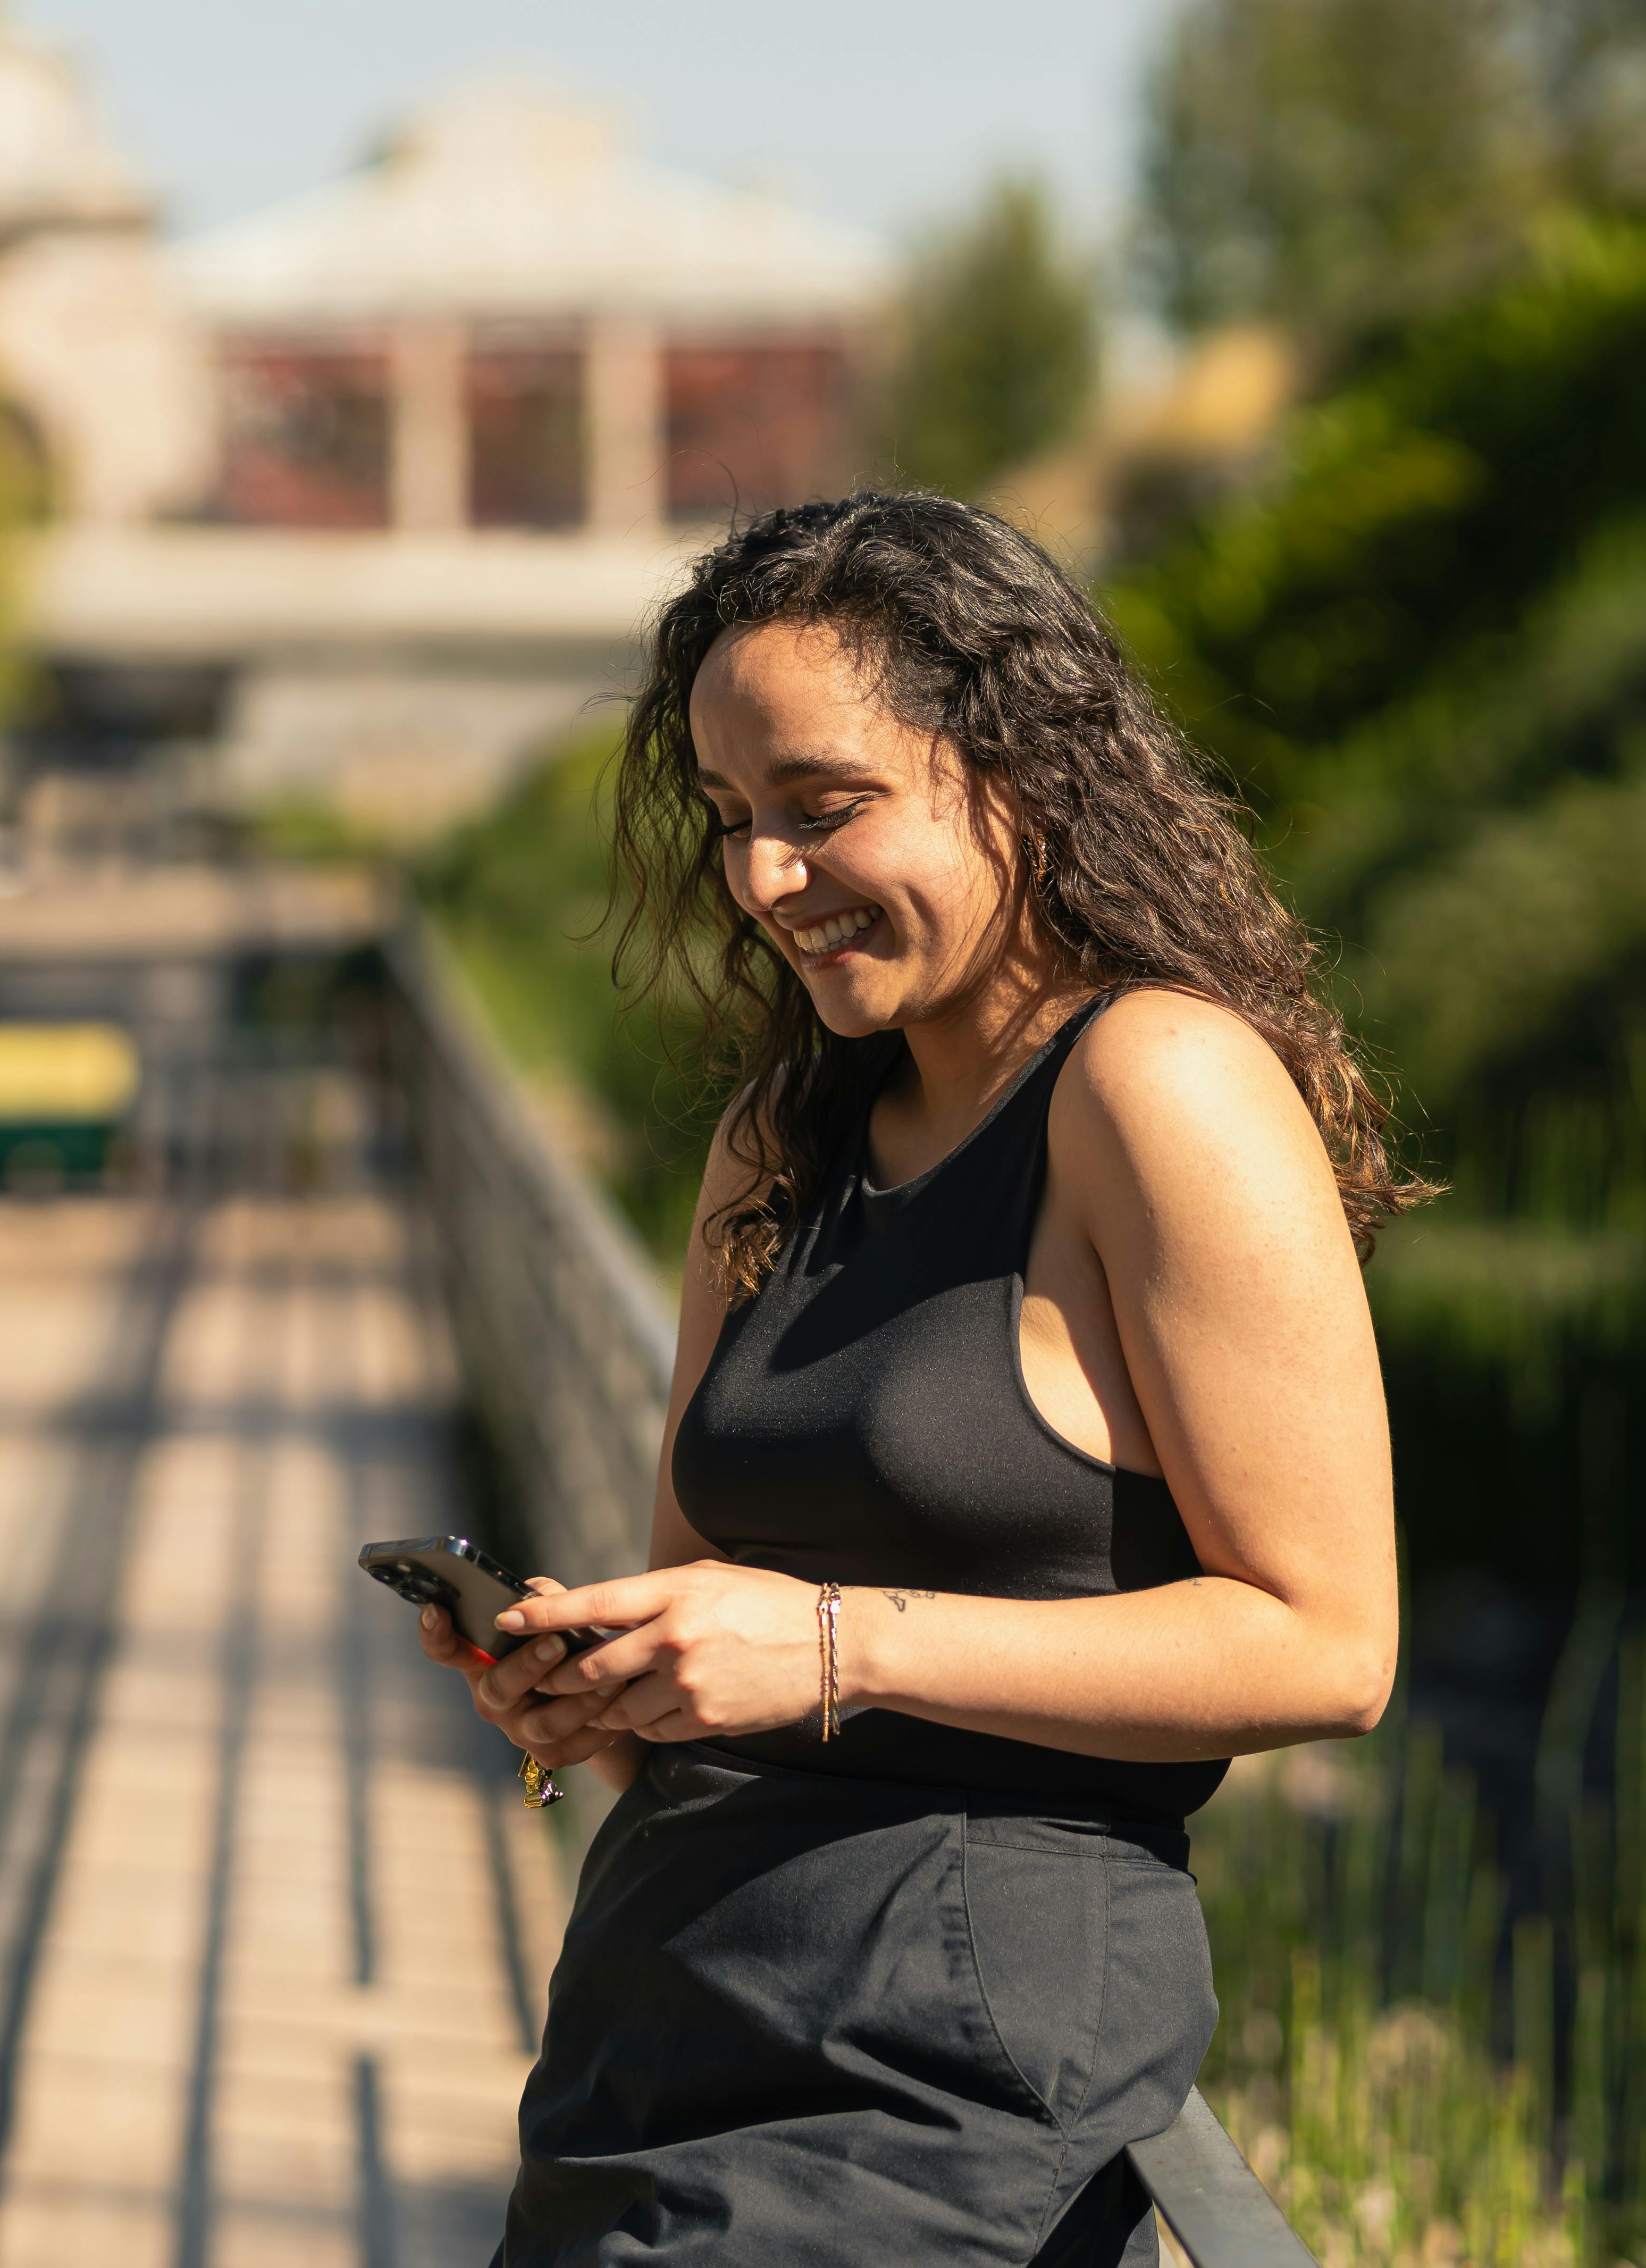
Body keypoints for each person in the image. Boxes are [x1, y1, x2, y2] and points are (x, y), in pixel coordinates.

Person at [417, 492, 1423, 2267]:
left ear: (1019, 770)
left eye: (823, 809)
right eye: (733, 822)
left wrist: (829, 1642)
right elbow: (705, 1586)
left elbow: (1328, 1642)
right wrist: (603, 1678)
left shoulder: (1156, 1087)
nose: (760, 878)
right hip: (653, 2025)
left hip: (934, 2073)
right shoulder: (778, 1137)